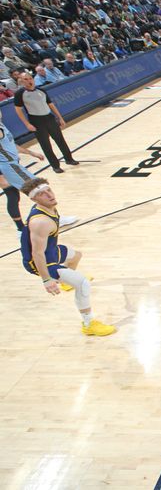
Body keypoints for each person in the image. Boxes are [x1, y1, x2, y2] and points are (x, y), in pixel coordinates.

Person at [19, 177, 115, 336]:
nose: (49, 195)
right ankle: (88, 323)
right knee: (83, 284)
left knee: (76, 256)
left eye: (49, 190)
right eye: (42, 194)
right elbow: (37, 253)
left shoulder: (49, 208)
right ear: (34, 199)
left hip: (50, 250)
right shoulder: (40, 222)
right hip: (40, 262)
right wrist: (46, 279)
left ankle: (65, 282)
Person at [0, 110, 78, 233]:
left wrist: (31, 153)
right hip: (10, 167)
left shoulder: (2, 125)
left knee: (13, 196)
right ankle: (53, 218)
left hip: (13, 165)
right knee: (40, 189)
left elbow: (11, 145)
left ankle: (21, 229)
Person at [13, 72, 79, 173]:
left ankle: (69, 159)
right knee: (45, 144)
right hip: (36, 120)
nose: (29, 80)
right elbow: (18, 110)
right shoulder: (20, 94)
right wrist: (27, 124)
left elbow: (51, 104)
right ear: (21, 81)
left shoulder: (41, 90)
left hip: (49, 118)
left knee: (60, 140)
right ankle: (55, 165)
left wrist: (60, 118)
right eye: (25, 79)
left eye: (30, 78)